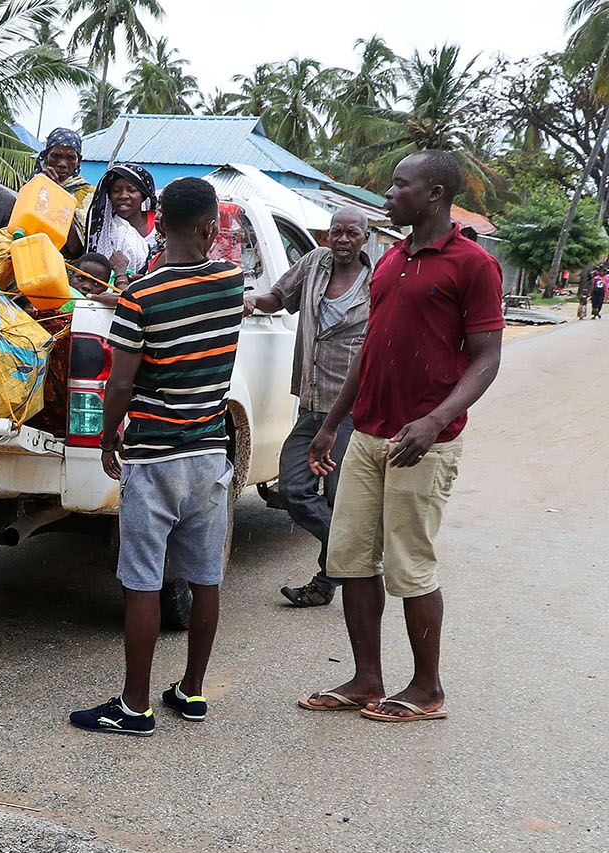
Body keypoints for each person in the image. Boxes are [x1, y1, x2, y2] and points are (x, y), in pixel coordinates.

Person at [299, 151, 503, 723]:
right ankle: (367, 679)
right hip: (367, 434)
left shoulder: (472, 265)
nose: (388, 194)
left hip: (425, 440)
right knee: (352, 559)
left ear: (433, 194)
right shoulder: (390, 259)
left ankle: (427, 689)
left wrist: (437, 419)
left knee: (409, 564)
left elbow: (487, 359)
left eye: (399, 185)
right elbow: (371, 349)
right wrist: (332, 422)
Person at [71, 177, 245, 736]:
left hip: (153, 455)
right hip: (210, 456)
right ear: (208, 227)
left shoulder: (140, 298)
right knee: (204, 579)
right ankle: (192, 692)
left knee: (143, 581)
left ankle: (135, 707)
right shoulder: (230, 279)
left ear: (157, 223)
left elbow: (119, 384)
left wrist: (106, 435)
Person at [243, 207, 372, 608]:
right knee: (294, 488)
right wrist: (250, 300)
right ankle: (353, 551)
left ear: (365, 239)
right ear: (328, 235)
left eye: (352, 233)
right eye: (336, 232)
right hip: (311, 401)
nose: (343, 239)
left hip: (351, 410)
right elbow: (278, 297)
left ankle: (324, 584)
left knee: (337, 499)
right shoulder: (314, 262)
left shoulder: (378, 283)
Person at [85, 162, 157, 278]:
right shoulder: (105, 232)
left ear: (144, 195)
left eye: (132, 190)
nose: (123, 196)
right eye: (116, 190)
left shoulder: (160, 224)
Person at [35, 127, 93, 255]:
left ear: (79, 161)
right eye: (56, 156)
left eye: (71, 158)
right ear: (45, 157)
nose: (62, 163)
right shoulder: (32, 187)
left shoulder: (87, 194)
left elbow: (76, 249)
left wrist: (57, 195)